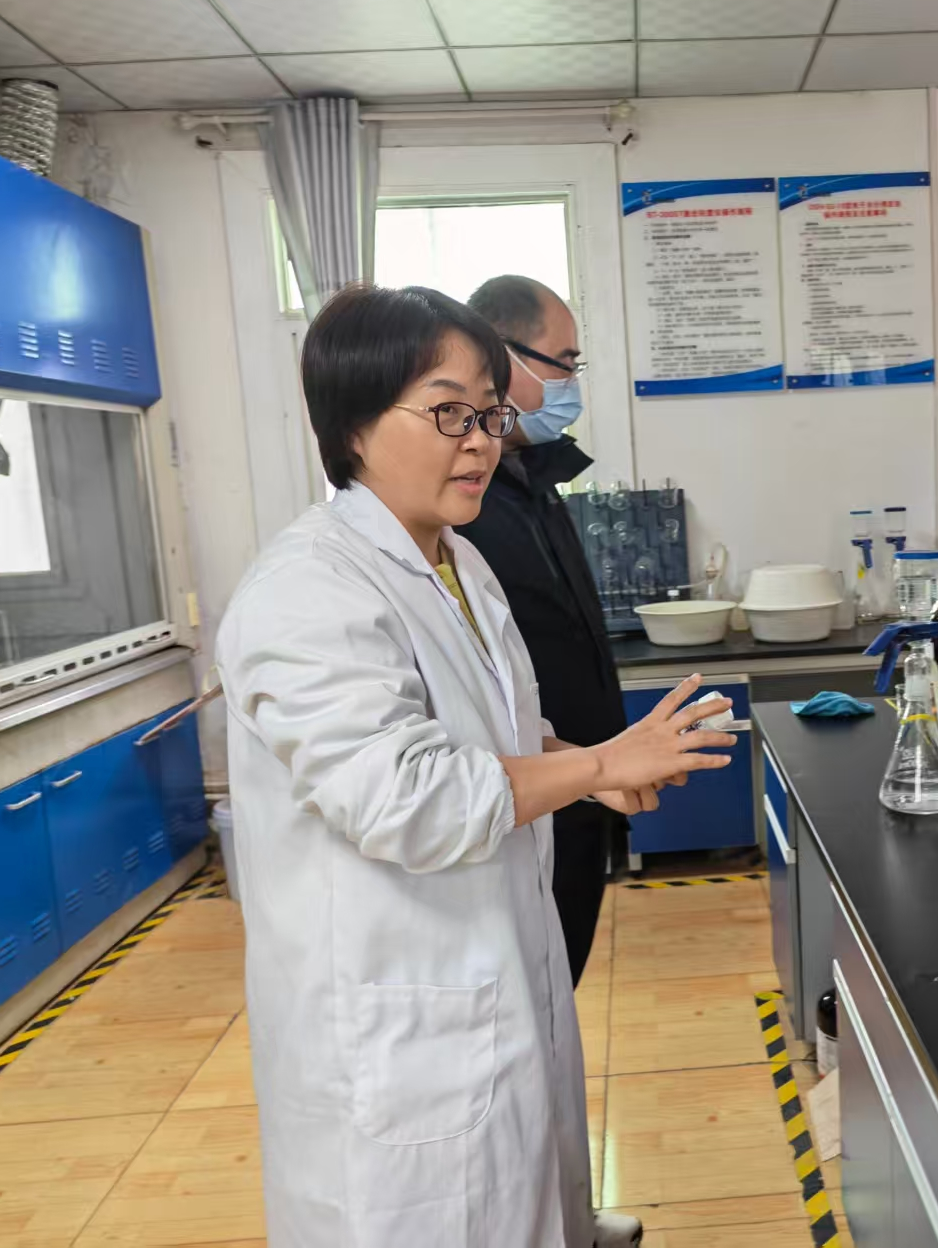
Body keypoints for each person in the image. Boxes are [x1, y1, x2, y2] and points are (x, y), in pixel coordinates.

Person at [216, 284, 735, 1248]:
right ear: (354, 423)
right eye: (448, 412)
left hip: (491, 977)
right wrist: (595, 766)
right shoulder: (306, 591)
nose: (482, 441)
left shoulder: (459, 560)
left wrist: (587, 764)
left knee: (527, 1190)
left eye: (490, 413)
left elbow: (500, 730)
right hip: (397, 1027)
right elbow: (406, 798)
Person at [461, 274, 621, 984]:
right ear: (502, 360)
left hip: (577, 792)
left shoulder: (533, 481)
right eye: (563, 362)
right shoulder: (468, 506)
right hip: (528, 805)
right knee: (532, 990)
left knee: (558, 985)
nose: (571, 383)